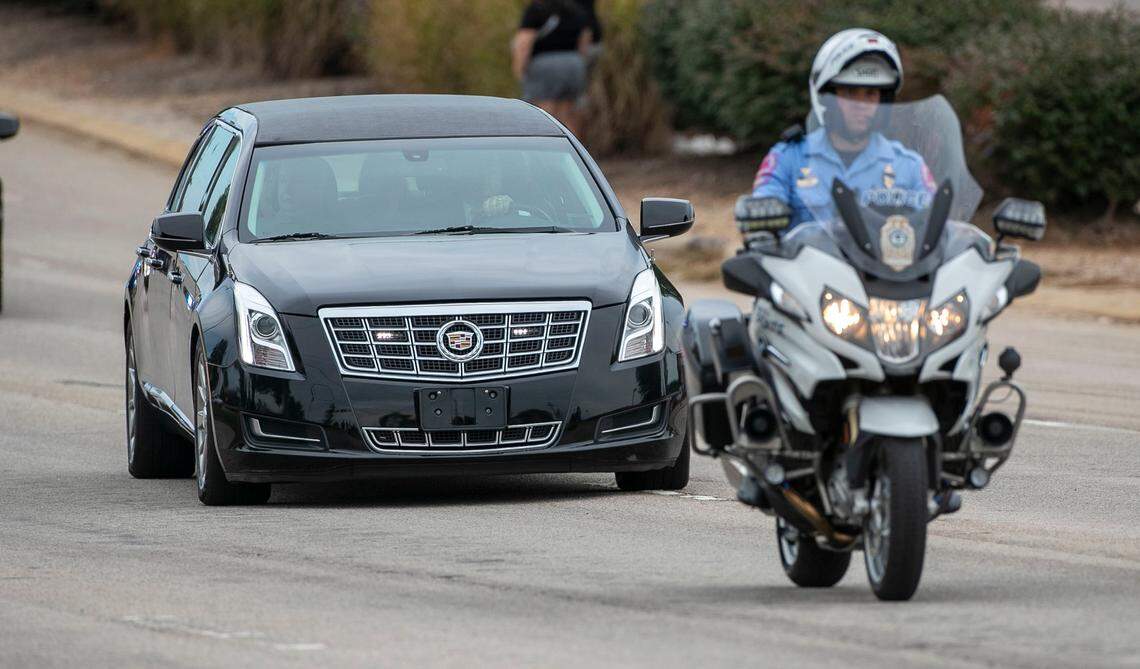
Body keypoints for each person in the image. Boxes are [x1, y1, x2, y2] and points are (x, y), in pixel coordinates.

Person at [751, 29, 936, 228]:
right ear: (826, 98)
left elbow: (937, 229)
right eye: (850, 93)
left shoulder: (909, 166)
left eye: (871, 94)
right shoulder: (787, 159)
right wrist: (756, 212)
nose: (861, 104)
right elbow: (760, 210)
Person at [512, 0, 593, 137]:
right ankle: (571, 153)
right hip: (573, 63)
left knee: (546, 114)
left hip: (545, 65)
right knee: (569, 115)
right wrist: (578, 62)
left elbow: (524, 42)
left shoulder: (536, 9)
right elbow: (585, 38)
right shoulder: (574, 9)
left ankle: (547, 152)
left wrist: (519, 69)